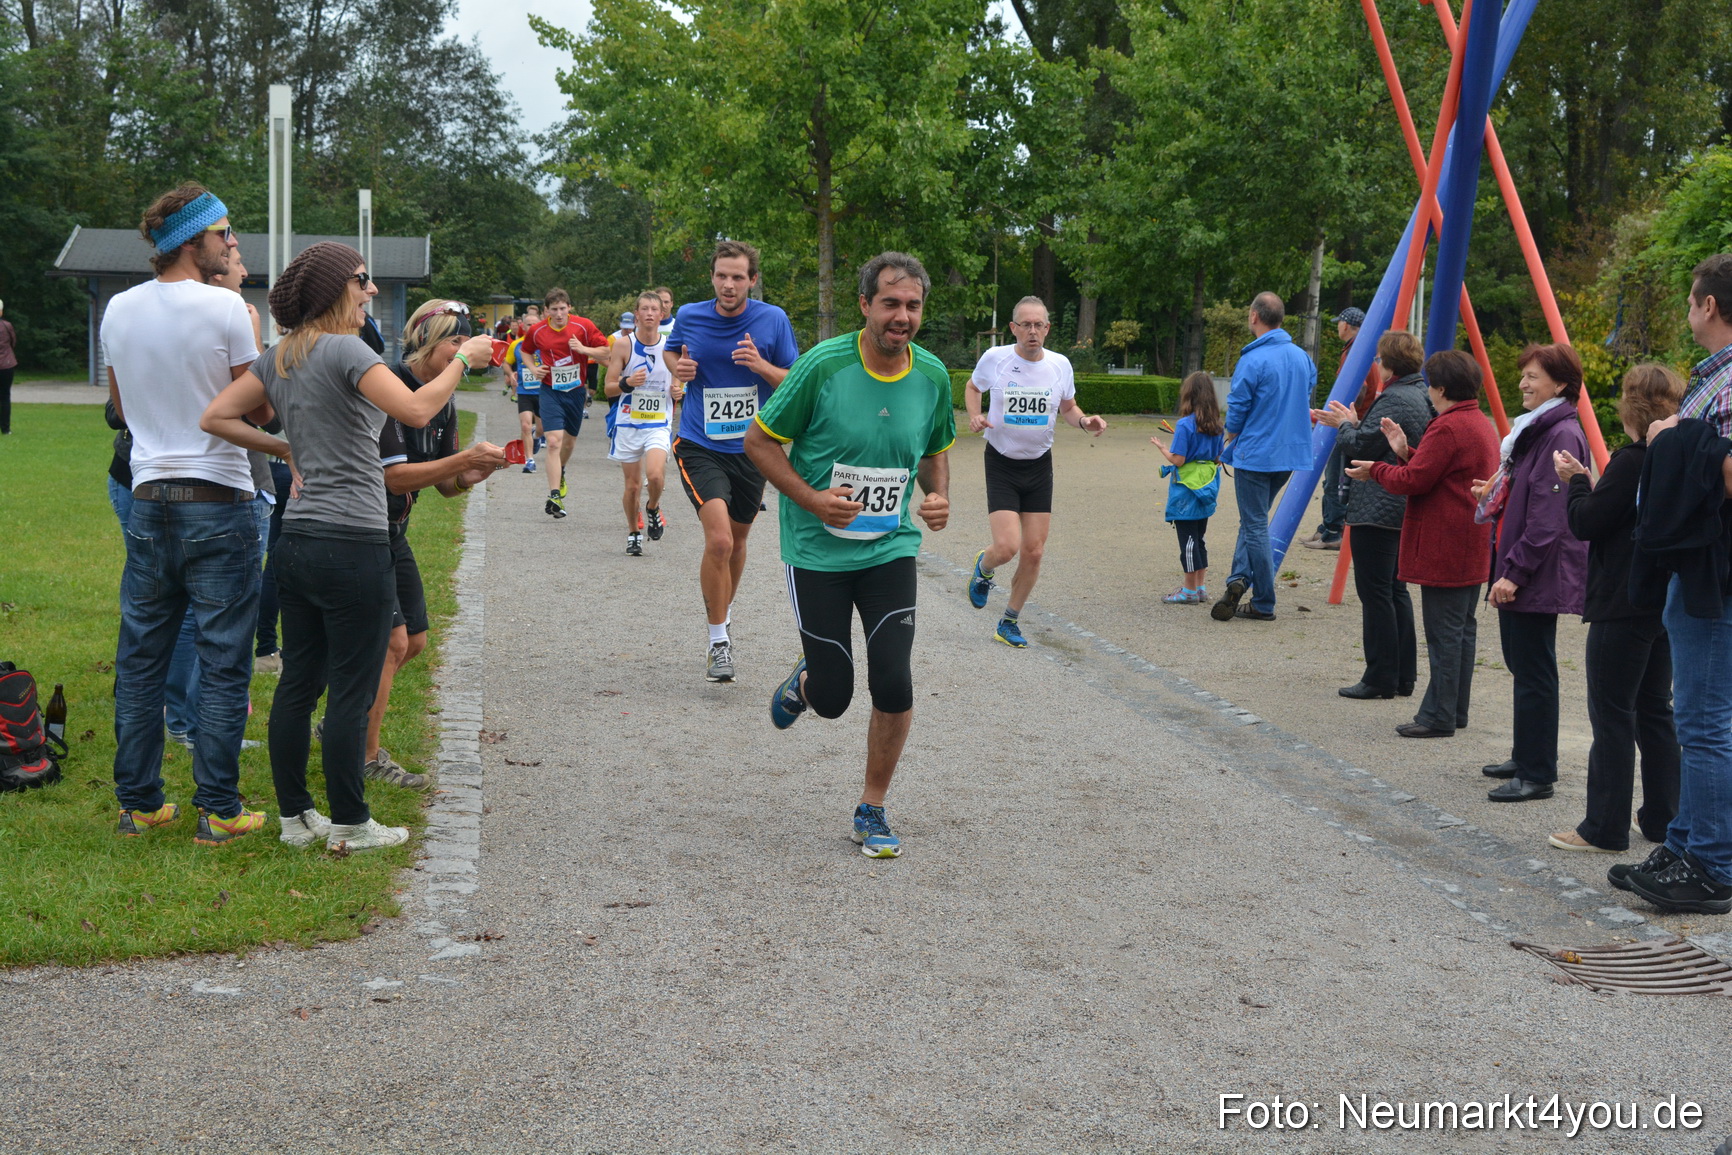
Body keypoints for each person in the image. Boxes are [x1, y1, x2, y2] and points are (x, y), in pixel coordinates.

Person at [200, 241, 495, 852]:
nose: (372, 291)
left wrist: (286, 451)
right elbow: (416, 409)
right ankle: (352, 825)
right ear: (338, 289)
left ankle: (294, 819)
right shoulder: (346, 350)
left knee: (298, 683)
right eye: (363, 280)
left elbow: (217, 418)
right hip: (354, 540)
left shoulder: (279, 354)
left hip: (299, 537)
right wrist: (463, 359)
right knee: (352, 689)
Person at [745, 252, 954, 859]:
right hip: (816, 553)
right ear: (865, 305)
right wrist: (812, 499)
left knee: (893, 678)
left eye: (912, 305)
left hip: (889, 549)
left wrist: (937, 497)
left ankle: (872, 808)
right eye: (890, 303)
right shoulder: (822, 366)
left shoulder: (934, 375)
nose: (902, 316)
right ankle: (807, 679)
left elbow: (937, 447)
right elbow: (759, 442)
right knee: (834, 698)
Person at [103, 185, 263, 846]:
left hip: (146, 497)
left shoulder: (117, 308)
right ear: (192, 240)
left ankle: (139, 803)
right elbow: (256, 409)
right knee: (224, 661)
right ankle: (219, 809)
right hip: (218, 499)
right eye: (223, 231)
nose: (230, 242)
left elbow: (116, 409)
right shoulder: (227, 308)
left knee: (140, 659)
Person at [1614, 252, 1732, 915]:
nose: (1689, 310)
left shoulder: (1730, 381)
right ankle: (1686, 843)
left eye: (1691, 300)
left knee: (1706, 724)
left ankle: (1711, 865)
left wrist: (1674, 440)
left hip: (1713, 571)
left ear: (1709, 306)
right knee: (1697, 716)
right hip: (1697, 565)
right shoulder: (1712, 380)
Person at [368, 299, 509, 787]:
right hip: (364, 530)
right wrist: (457, 463)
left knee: (416, 642)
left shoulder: (443, 400)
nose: (460, 354)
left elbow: (446, 485)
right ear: (428, 341)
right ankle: (366, 756)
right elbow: (396, 478)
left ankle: (346, 721)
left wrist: (470, 473)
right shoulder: (388, 385)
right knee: (391, 643)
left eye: (464, 345)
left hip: (396, 532)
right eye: (455, 343)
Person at [1547, 364, 1683, 853]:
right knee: (1654, 711)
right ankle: (1664, 818)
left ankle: (1603, 826)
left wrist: (1577, 482)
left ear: (1632, 406)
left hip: (1622, 600)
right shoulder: (1678, 455)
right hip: (1663, 598)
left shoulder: (1632, 460)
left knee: (1612, 713)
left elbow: (1587, 522)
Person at [667, 241, 800, 681]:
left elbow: (794, 383)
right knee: (720, 540)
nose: (728, 284)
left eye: (738, 277)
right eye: (722, 275)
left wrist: (761, 366)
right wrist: (678, 369)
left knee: (738, 543)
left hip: (751, 449)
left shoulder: (772, 320)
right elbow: (674, 351)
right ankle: (718, 640)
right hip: (698, 443)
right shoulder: (689, 315)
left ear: (752, 280)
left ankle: (722, 614)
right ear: (712, 277)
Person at [1349, 351, 1498, 739]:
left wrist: (1377, 469)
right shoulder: (1477, 422)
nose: (1427, 390)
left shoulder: (1448, 426)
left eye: (1431, 384)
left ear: (1442, 388)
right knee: (1462, 630)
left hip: (1445, 541)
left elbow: (1416, 481)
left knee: (1444, 632)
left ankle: (1438, 715)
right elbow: (1437, 472)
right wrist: (1403, 452)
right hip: (1470, 540)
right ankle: (1453, 708)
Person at [1472, 343, 1589, 802]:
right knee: (1524, 665)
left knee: (1535, 669)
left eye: (1534, 376)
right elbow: (1533, 498)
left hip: (1534, 571)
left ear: (1559, 383)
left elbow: (1549, 517)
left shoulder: (1560, 433)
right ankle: (1526, 754)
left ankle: (1538, 772)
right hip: (1524, 564)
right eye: (1523, 375)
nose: (1523, 383)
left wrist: (1514, 572)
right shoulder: (1541, 430)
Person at [961, 296, 1105, 646]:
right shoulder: (995, 359)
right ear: (1013, 328)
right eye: (1025, 324)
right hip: (1001, 462)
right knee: (1007, 546)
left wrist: (1085, 421)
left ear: (1047, 329)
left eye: (1039, 325)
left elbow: (1069, 408)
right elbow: (972, 387)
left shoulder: (1060, 366)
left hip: (1039, 465)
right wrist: (974, 415)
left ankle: (1009, 621)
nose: (1032, 331)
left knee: (1035, 550)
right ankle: (985, 567)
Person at [1315, 331, 1432, 699]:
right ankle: (1402, 675)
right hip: (1400, 505)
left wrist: (1344, 426)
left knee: (1376, 593)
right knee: (1396, 591)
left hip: (1377, 504)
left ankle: (1380, 676)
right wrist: (1352, 422)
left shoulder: (1394, 398)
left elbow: (1360, 445)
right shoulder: (1421, 394)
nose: (1376, 365)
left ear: (1390, 363)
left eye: (1380, 359)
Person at [1211, 292, 1315, 622]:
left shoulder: (1253, 360)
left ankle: (1264, 601)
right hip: (1290, 454)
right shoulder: (1302, 357)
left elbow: (1237, 407)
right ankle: (1238, 579)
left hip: (1256, 454)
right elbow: (1307, 390)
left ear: (1254, 317)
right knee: (1253, 519)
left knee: (1255, 525)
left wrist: (1228, 437)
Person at [605, 293, 682, 555]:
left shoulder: (671, 346)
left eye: (655, 309)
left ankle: (652, 507)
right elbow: (608, 389)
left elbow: (678, 380)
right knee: (632, 485)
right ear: (636, 314)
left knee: (656, 475)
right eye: (645, 309)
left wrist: (678, 392)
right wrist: (628, 383)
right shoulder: (623, 345)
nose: (650, 313)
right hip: (628, 423)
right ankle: (633, 532)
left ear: (662, 315)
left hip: (658, 422)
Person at [521, 288, 609, 518]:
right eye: (554, 310)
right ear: (545, 312)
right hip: (550, 390)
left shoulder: (583, 326)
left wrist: (583, 349)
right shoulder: (538, 330)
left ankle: (561, 472)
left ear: (569, 308)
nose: (559, 314)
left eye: (562, 309)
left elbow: (606, 351)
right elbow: (526, 351)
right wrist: (532, 368)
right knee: (553, 441)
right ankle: (554, 495)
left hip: (576, 392)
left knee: (568, 443)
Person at [1302, 306, 1379, 551]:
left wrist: (1343, 415)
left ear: (1346, 325)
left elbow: (1361, 388)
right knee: (1333, 476)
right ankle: (1328, 526)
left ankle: (1334, 530)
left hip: (1349, 423)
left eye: (1339, 322)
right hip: (1355, 421)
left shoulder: (1354, 351)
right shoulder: (1360, 348)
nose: (1337, 326)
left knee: (1335, 477)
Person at [1150, 371, 1224, 603]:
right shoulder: (1217, 426)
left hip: (1186, 490)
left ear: (1188, 395)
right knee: (1199, 537)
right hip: (1208, 486)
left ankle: (1189, 591)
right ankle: (1200, 587)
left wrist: (1163, 449)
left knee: (1188, 540)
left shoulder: (1185, 424)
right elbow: (1218, 458)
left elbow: (1179, 460)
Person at [502, 327, 543, 474]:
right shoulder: (517, 345)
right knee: (525, 425)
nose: (531, 327)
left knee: (541, 428)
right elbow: (506, 363)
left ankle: (536, 436)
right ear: (523, 327)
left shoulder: (546, 342)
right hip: (524, 391)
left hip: (543, 392)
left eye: (534, 324)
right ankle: (529, 460)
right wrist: (510, 374)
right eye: (528, 324)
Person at [0, 298, 16, 434]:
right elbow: (13, 342)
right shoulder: (7, 325)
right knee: (5, 396)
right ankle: (5, 429)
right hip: (6, 365)